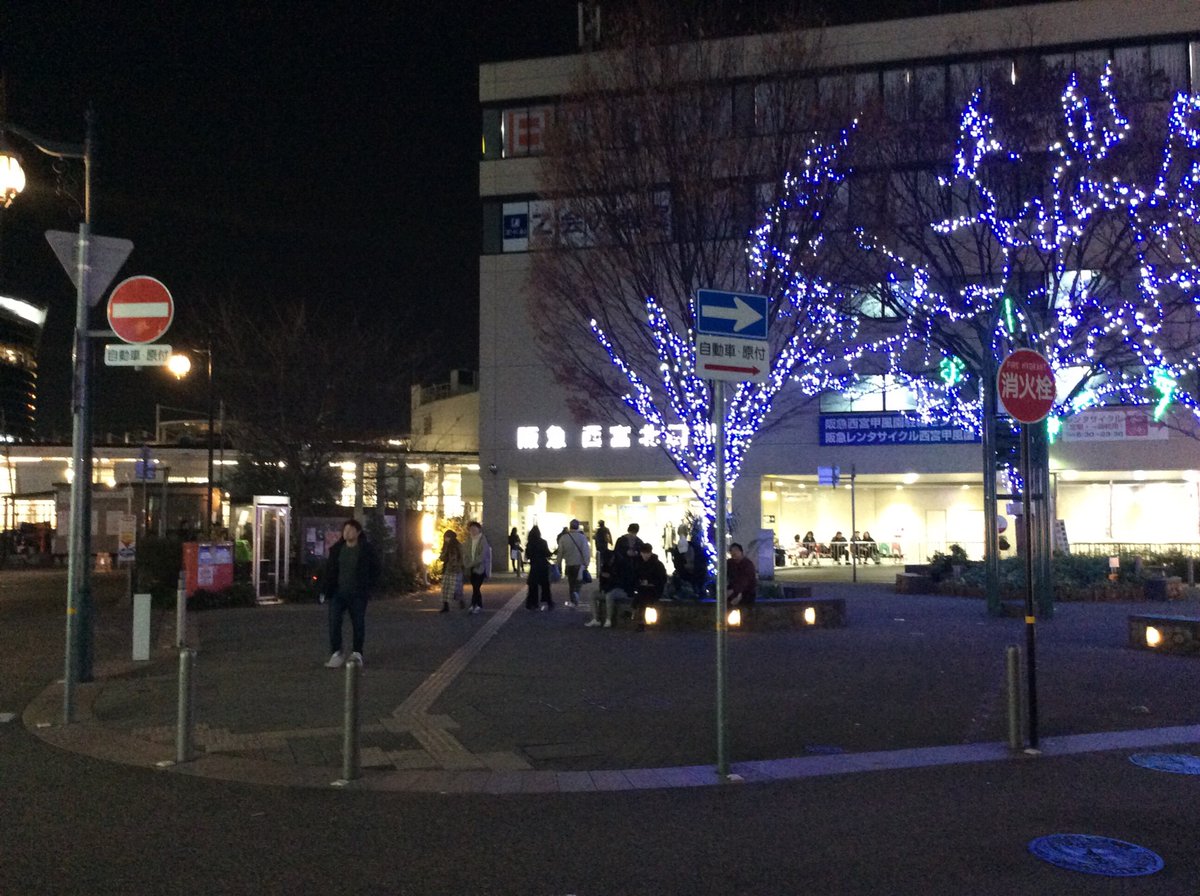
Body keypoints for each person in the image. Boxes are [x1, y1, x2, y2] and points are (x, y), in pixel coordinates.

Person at [322, 519, 380, 668]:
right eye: (345, 530)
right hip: (338, 593)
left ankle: (357, 653)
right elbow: (330, 570)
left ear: (358, 532)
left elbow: (376, 569)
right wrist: (325, 589)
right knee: (334, 622)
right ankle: (336, 653)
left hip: (358, 593)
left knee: (358, 623)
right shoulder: (337, 549)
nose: (346, 532)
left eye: (350, 529)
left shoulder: (365, 550)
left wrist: (369, 587)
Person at [632, 542, 667, 631]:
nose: (646, 556)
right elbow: (634, 576)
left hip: (655, 589)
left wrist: (650, 582)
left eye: (648, 553)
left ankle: (639, 620)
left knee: (642, 597)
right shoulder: (638, 563)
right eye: (644, 553)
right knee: (641, 595)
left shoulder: (657, 564)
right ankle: (639, 620)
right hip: (642, 588)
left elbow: (662, 579)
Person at [556, 519, 591, 608]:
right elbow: (586, 551)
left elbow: (560, 552)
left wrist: (558, 564)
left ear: (570, 526)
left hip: (569, 564)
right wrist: (586, 563)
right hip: (579, 565)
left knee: (571, 583)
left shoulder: (564, 537)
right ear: (578, 526)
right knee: (578, 582)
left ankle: (573, 600)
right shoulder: (582, 538)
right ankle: (576, 593)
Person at [462, 521, 491, 615]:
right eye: (471, 529)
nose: (473, 531)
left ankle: (474, 605)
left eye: (475, 529)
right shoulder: (468, 540)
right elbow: (465, 553)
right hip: (471, 568)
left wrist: (471, 563)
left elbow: (482, 556)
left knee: (476, 586)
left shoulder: (483, 540)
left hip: (480, 567)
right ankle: (478, 605)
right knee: (475, 587)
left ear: (479, 529)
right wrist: (467, 563)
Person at [524, 525, 553, 610]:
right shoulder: (543, 542)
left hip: (534, 566)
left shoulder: (529, 543)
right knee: (545, 586)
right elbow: (547, 553)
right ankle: (548, 602)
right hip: (543, 566)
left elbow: (528, 556)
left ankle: (532, 603)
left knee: (533, 586)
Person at [612, 523, 642, 594]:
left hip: (623, 568)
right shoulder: (639, 541)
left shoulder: (621, 540)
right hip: (632, 568)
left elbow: (616, 552)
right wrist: (635, 553)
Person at [439, 530, 464, 613]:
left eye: (448, 537)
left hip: (455, 569)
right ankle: (446, 605)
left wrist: (459, 565)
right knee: (445, 588)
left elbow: (462, 557)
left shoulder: (457, 546)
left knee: (455, 588)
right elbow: (442, 557)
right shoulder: (446, 546)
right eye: (446, 537)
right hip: (447, 569)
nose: (446, 539)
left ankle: (460, 600)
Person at [726, 542, 757, 607]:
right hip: (732, 592)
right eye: (731, 551)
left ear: (741, 552)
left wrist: (735, 591)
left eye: (736, 550)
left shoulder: (747, 564)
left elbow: (745, 581)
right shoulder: (729, 563)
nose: (733, 553)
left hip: (746, 594)